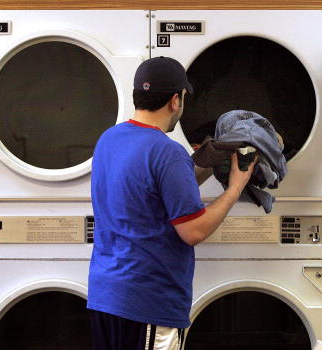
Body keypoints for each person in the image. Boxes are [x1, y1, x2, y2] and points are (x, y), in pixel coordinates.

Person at [87, 56, 257, 350]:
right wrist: (234, 188)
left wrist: (202, 161)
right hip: (148, 302)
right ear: (176, 100)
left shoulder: (109, 139)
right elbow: (193, 231)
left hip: (106, 296)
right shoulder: (167, 152)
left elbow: (149, 192)